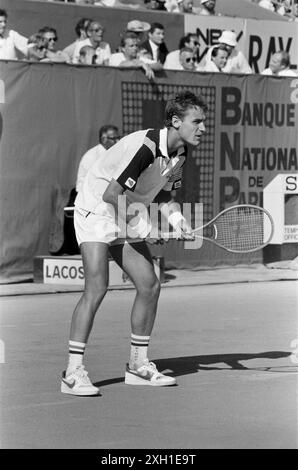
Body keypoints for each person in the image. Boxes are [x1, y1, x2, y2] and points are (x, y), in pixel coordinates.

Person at [61, 91, 207, 395]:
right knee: (97, 287)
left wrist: (179, 224)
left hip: (124, 207)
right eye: (198, 121)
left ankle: (139, 365)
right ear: (177, 121)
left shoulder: (180, 153)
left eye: (203, 122)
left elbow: (165, 195)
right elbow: (111, 195)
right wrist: (143, 226)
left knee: (149, 284)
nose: (203, 128)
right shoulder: (147, 146)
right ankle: (73, 373)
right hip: (97, 208)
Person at [76, 125, 120, 193]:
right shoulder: (91, 157)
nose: (118, 141)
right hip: (90, 198)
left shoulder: (116, 153)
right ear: (103, 139)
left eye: (118, 138)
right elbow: (87, 184)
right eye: (113, 138)